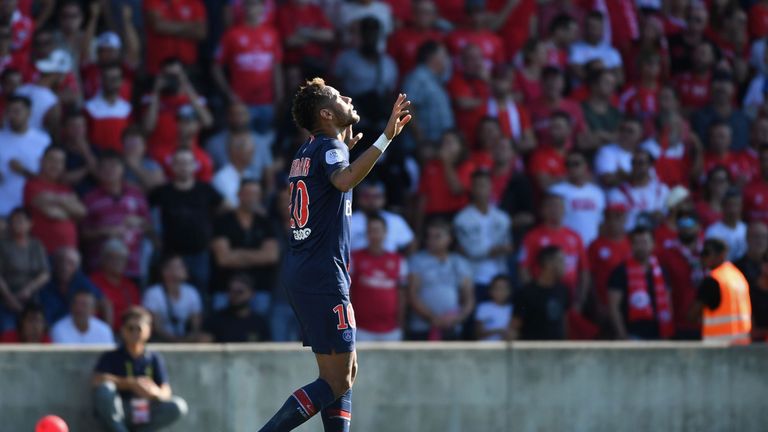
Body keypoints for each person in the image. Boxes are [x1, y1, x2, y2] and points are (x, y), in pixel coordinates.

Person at [257, 78, 410, 431]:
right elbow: (343, 181)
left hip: (306, 270)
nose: (348, 97)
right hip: (324, 274)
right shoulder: (330, 149)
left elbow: (328, 183)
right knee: (338, 380)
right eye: (339, 97)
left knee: (342, 373)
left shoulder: (307, 151)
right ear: (326, 113)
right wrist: (385, 138)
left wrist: (345, 146)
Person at [92, 306, 189, 431]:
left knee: (178, 406)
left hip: (146, 410)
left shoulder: (153, 358)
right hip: (122, 410)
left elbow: (166, 390)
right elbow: (96, 380)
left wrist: (155, 393)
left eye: (139, 328)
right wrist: (130, 383)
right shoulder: (112, 356)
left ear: (148, 330)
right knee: (105, 389)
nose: (134, 333)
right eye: (130, 328)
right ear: (122, 330)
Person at [149, 148, 224, 292]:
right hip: (171, 254)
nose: (183, 167)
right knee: (170, 292)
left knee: (200, 293)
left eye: (187, 163)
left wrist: (213, 233)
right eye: (179, 163)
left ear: (194, 166)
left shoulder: (206, 189)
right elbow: (146, 215)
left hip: (200, 254)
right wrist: (153, 237)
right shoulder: (162, 192)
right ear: (172, 166)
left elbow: (226, 207)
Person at [213, 0, 284, 134]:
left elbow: (277, 67)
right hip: (241, 103)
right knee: (243, 141)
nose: (253, 8)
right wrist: (229, 94)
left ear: (263, 8)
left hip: (266, 101)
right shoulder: (231, 34)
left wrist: (279, 95)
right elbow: (215, 66)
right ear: (243, 7)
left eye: (257, 4)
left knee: (265, 142)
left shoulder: (272, 34)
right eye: (250, 4)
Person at [210, 179, 279, 315]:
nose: (252, 198)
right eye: (248, 193)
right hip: (225, 288)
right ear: (239, 194)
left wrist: (237, 254)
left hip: (259, 289)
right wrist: (257, 255)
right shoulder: (223, 221)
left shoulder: (265, 223)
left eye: (256, 194)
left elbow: (271, 256)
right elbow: (223, 259)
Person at [81, 152, 150, 279]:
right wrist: (105, 232)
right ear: (99, 171)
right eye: (104, 167)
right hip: (100, 268)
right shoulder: (89, 198)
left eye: (113, 166)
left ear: (122, 169)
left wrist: (139, 222)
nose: (109, 170)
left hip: (133, 266)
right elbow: (83, 234)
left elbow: (149, 227)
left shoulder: (136, 194)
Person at [518, 193, 590, 311]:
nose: (555, 210)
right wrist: (534, 295)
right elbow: (523, 268)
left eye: (559, 206)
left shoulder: (575, 236)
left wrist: (580, 300)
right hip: (542, 298)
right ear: (542, 210)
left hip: (569, 298)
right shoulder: (532, 236)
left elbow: (584, 270)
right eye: (551, 206)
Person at [406, 219, 475, 341]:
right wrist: (432, 318)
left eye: (437, 236)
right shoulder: (416, 261)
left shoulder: (460, 262)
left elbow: (469, 299)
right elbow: (412, 295)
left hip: (452, 327)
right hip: (422, 327)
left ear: (450, 238)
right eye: (429, 236)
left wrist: (457, 319)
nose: (431, 240)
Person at [608, 227, 675, 340]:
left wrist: (668, 331)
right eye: (637, 243)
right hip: (632, 333)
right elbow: (613, 306)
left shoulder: (661, 271)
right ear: (631, 245)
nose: (641, 247)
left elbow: (668, 302)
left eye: (645, 242)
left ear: (653, 244)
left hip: (659, 332)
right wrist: (622, 335)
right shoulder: (620, 271)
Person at [453, 169, 512, 297]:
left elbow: (508, 246)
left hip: (499, 277)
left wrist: (500, 249)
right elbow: (469, 251)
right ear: (472, 188)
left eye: (484, 185)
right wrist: (493, 251)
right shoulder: (462, 219)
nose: (481, 189)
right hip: (473, 277)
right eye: (477, 185)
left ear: (491, 187)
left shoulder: (502, 217)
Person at [349, 214, 408, 342]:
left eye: (378, 230)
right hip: (361, 328)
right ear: (366, 233)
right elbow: (348, 292)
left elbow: (402, 294)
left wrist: (401, 323)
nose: (374, 234)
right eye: (371, 231)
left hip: (391, 329)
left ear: (385, 233)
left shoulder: (398, 260)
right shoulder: (354, 258)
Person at [24, 145, 86, 254]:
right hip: (44, 253)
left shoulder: (66, 188)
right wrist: (69, 206)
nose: (55, 165)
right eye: (51, 160)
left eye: (60, 162)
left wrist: (55, 199)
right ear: (41, 161)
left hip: (70, 254)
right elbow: (52, 213)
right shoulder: (32, 185)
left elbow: (82, 212)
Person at [694, 238, 752, 344]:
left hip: (719, 346)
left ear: (721, 255)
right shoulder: (737, 275)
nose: (702, 257)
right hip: (742, 344)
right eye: (702, 253)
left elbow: (692, 315)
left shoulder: (713, 279)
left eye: (707, 253)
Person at [0, 95, 50, 216]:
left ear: (29, 113)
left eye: (17, 111)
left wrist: (23, 171)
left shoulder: (43, 140)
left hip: (32, 208)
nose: (12, 116)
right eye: (9, 111)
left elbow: (50, 178)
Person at [0, 207, 50, 330]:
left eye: (21, 221)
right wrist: (10, 298)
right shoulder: (3, 245)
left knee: (40, 326)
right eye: (14, 221)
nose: (17, 225)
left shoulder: (36, 245)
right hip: (6, 297)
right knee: (8, 329)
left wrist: (29, 289)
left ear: (30, 223)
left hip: (31, 296)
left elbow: (45, 273)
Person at [39, 247, 110, 327]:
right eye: (61, 261)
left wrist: (107, 330)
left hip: (76, 331)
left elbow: (105, 303)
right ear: (54, 263)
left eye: (70, 263)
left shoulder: (80, 280)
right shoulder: (45, 281)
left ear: (76, 268)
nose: (64, 267)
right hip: (52, 330)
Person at [142, 255, 204, 343]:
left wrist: (187, 340)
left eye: (182, 266)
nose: (184, 269)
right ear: (165, 271)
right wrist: (176, 341)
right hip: (160, 341)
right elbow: (156, 328)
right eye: (178, 266)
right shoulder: (153, 293)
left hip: (185, 340)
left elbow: (196, 326)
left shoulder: (191, 292)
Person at [512, 246, 569, 340]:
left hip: (557, 351)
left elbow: (564, 322)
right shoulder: (526, 293)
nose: (565, 265)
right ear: (548, 264)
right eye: (561, 261)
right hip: (532, 351)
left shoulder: (563, 290)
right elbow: (515, 326)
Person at [550, 151, 606, 246]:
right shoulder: (556, 191)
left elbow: (601, 222)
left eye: (576, 164)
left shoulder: (597, 192)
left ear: (585, 166)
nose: (572, 168)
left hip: (592, 246)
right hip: (566, 245)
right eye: (569, 164)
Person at [607, 149, 670, 231]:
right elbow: (616, 222)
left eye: (640, 163)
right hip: (631, 237)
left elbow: (670, 218)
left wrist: (662, 217)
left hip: (657, 237)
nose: (636, 167)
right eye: (633, 163)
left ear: (650, 165)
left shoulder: (663, 190)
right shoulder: (618, 192)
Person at [89, 239, 141, 332]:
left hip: (127, 334)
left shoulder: (129, 286)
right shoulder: (92, 282)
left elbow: (137, 314)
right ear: (104, 259)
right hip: (102, 333)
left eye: (122, 259)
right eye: (114, 258)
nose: (119, 263)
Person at [143, 0, 206, 75]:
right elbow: (157, 26)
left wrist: (168, 27)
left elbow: (201, 33)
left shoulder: (194, 2)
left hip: (188, 65)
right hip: (159, 67)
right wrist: (191, 26)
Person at [349, 181, 414, 253]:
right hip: (355, 263)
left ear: (384, 199)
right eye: (367, 196)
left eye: (376, 196)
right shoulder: (348, 221)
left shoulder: (396, 220)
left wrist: (398, 260)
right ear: (359, 198)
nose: (371, 200)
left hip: (389, 263)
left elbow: (410, 243)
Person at [205, 273, 271, 342]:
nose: (234, 295)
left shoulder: (259, 322)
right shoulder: (215, 319)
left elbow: (268, 348)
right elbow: (204, 346)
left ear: (252, 294)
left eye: (240, 292)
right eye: (231, 291)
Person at [83, 62, 132, 152]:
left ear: (121, 81)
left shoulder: (127, 108)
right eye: (109, 78)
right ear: (101, 80)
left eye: (116, 78)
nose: (113, 82)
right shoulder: (89, 108)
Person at [705, 190, 748, 261]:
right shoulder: (713, 231)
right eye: (729, 205)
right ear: (723, 207)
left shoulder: (746, 229)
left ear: (741, 207)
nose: (733, 210)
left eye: (736, 205)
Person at [474, 274, 513, 341]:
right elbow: (477, 333)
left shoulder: (513, 309)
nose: (500, 292)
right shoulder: (483, 307)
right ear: (490, 290)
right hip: (485, 348)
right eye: (497, 288)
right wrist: (498, 331)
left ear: (510, 291)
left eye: (504, 288)